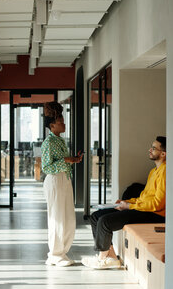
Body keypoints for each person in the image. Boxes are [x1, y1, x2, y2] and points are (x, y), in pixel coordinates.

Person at [83, 136, 166, 269]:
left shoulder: (165, 172)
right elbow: (145, 197)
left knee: (105, 222)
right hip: (143, 208)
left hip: (155, 214)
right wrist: (126, 202)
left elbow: (157, 204)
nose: (150, 150)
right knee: (95, 217)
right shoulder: (154, 171)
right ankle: (110, 257)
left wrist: (130, 206)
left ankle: (102, 258)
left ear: (163, 153)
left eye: (154, 148)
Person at [41, 102, 84, 267]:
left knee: (68, 218)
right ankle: (54, 254)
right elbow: (46, 167)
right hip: (55, 181)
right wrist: (66, 160)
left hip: (64, 180)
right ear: (52, 126)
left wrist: (72, 160)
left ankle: (62, 252)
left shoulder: (60, 141)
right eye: (61, 122)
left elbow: (61, 162)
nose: (64, 124)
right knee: (57, 219)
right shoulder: (49, 143)